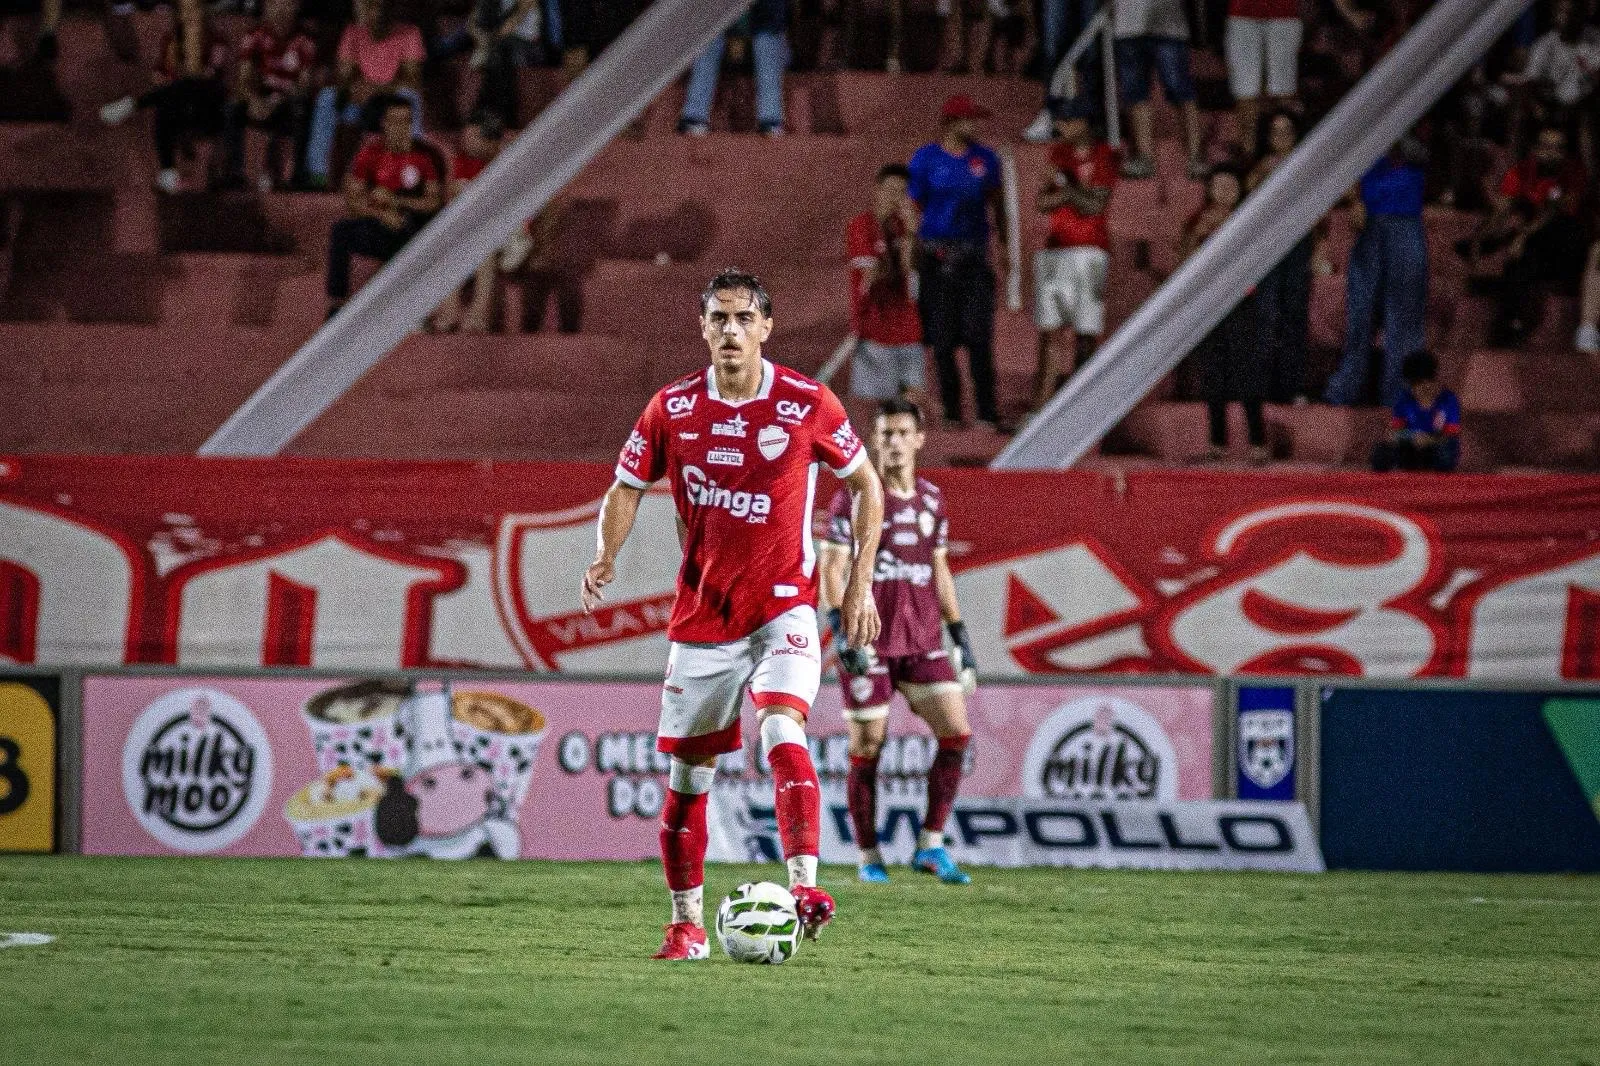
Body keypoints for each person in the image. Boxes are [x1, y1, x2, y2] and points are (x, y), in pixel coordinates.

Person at [581, 269, 885, 961]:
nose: (730, 331)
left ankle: (805, 888)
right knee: (688, 783)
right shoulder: (674, 408)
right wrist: (606, 555)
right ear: (703, 328)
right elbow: (626, 486)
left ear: (766, 327)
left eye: (743, 318)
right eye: (718, 319)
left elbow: (866, 487)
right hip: (704, 619)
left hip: (785, 607)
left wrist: (858, 587)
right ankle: (685, 926)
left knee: (783, 724)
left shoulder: (807, 402)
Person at [820, 398, 975, 887]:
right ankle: (869, 855)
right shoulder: (853, 497)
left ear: (919, 439)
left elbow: (940, 569)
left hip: (924, 638)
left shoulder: (932, 499)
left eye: (902, 433)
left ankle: (930, 845)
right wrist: (839, 629)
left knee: (957, 733)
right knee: (869, 743)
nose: (892, 442)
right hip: (869, 641)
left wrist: (959, 635)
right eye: (884, 434)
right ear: (873, 441)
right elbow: (832, 568)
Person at [908, 94, 1015, 431]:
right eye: (968, 120)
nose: (974, 126)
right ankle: (953, 411)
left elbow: (997, 204)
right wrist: (916, 247)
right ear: (951, 122)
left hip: (973, 254)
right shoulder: (926, 159)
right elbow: (914, 207)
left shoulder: (985, 160)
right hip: (937, 256)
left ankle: (986, 410)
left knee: (978, 335)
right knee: (942, 338)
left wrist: (1005, 245)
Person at [1324, 135, 1429, 407]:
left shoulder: (1418, 120)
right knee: (1360, 314)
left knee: (1403, 318)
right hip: (1370, 225)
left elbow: (1416, 152)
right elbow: (1345, 169)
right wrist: (1353, 199)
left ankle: (1399, 396)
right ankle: (1344, 391)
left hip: (1405, 224)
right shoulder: (1368, 129)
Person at [324, 95, 441, 319]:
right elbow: (354, 202)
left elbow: (433, 202)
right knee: (341, 230)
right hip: (379, 225)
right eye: (395, 121)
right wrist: (381, 214)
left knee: (413, 229)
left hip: (412, 226)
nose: (402, 128)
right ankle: (337, 304)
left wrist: (397, 203)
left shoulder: (424, 158)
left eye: (407, 121)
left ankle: (411, 306)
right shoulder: (369, 154)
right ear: (384, 124)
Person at [97, 0, 230, 194]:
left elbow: (208, 76)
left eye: (193, 10)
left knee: (187, 84)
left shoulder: (217, 40)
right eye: (184, 11)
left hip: (209, 105)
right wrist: (160, 76)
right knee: (166, 105)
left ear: (203, 12)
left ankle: (133, 104)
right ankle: (168, 174)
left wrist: (192, 46)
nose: (188, 16)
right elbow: (160, 72)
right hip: (179, 102)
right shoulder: (172, 40)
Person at [1183, 167, 1267, 462]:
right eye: (1218, 185)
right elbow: (1185, 262)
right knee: (1213, 375)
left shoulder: (1250, 218)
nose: (1225, 190)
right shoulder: (1197, 220)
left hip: (1243, 302)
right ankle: (1217, 443)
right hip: (1209, 307)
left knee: (1247, 373)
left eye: (1231, 184)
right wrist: (1199, 233)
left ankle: (1258, 442)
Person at [1032, 113, 1116, 406]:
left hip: (1090, 252)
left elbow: (1095, 206)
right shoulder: (1059, 154)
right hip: (1055, 251)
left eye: (1067, 120)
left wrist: (1066, 190)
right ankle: (1041, 405)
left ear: (1084, 123)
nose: (1061, 126)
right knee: (1050, 332)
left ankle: (1082, 404)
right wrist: (1073, 193)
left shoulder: (1105, 155)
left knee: (1086, 333)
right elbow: (1042, 202)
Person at [1483, 125, 1589, 348]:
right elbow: (1503, 207)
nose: (1551, 152)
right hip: (1535, 247)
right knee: (1520, 260)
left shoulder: (1573, 172)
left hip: (1567, 245)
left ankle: (1514, 318)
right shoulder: (1520, 171)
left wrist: (1522, 236)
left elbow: (1558, 210)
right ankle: (1511, 322)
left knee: (1542, 237)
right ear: (1535, 148)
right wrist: (1489, 232)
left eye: (1557, 148)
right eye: (1545, 146)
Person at [1247, 110, 1325, 404]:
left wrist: (1319, 247)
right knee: (1265, 317)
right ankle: (1261, 389)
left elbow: (1316, 210)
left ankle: (1292, 387)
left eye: (1287, 131)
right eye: (1275, 131)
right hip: (1266, 246)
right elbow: (1249, 193)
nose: (1281, 137)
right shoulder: (1259, 166)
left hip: (1297, 244)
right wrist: (1263, 170)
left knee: (1294, 317)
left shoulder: (1307, 165)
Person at [303, 0, 425, 189]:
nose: (375, 12)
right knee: (327, 97)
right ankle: (318, 175)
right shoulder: (353, 31)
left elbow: (412, 79)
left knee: (410, 96)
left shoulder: (410, 33)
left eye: (379, 6)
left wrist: (377, 89)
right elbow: (344, 76)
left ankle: (412, 169)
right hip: (358, 102)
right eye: (370, 6)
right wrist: (354, 88)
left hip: (389, 102)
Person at [1226, 0, 1371, 156]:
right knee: (1247, 95)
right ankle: (1250, 155)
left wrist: (1350, 13)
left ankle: (1291, 155)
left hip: (1282, 16)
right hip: (1242, 17)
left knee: (1283, 94)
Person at [845, 164, 925, 417]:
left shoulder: (907, 230)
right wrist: (891, 244)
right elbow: (875, 277)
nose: (895, 199)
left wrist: (912, 236)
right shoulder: (861, 227)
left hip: (910, 333)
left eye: (902, 193)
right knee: (874, 419)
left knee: (910, 417)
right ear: (876, 190)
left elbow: (911, 269)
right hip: (874, 335)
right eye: (890, 191)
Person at [220, 0, 318, 192]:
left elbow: (304, 85)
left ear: (296, 8)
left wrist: (279, 101)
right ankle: (235, 172)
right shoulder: (254, 35)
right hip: (261, 98)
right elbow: (244, 78)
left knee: (301, 107)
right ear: (266, 8)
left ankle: (297, 175)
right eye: (275, 4)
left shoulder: (305, 40)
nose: (281, 11)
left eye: (288, 5)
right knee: (232, 108)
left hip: (288, 101)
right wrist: (255, 100)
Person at [1112, 0, 1205, 180]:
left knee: (1180, 89)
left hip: (1168, 24)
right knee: (1135, 92)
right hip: (1127, 24)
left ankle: (1196, 155)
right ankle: (1145, 158)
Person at [430, 112, 505, 334]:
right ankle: (450, 308)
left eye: (472, 137)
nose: (465, 141)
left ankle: (480, 312)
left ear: (490, 141)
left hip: (513, 233)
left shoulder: (509, 159)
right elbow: (450, 197)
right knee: (454, 240)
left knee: (484, 240)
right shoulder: (461, 161)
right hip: (472, 230)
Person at [677, 0, 789, 137]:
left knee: (767, 39)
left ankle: (771, 120)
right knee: (709, 37)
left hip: (764, 18)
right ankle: (694, 117)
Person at [1370, 351, 1460, 473]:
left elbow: (1451, 434)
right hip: (1412, 446)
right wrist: (1411, 437)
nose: (1416, 389)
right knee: (1381, 452)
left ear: (1431, 381)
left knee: (1446, 452)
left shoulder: (1448, 399)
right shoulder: (1404, 399)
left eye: (1421, 384)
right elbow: (1395, 432)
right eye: (1413, 385)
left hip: (1435, 447)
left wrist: (1428, 439)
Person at [469, 0, 544, 127]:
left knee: (500, 53)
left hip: (528, 44)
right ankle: (490, 112)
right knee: (496, 55)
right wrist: (481, 37)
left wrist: (490, 41)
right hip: (498, 42)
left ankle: (496, 112)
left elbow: (510, 25)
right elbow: (472, 24)